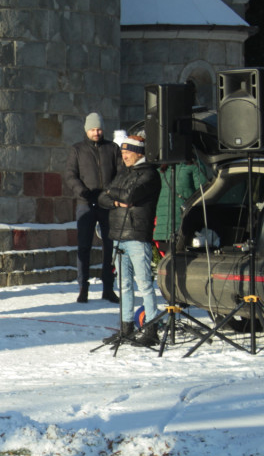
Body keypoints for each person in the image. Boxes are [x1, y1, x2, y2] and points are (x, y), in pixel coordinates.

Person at [99, 137, 163, 348]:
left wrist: (113, 194)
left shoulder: (149, 174)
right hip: (117, 236)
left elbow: (131, 195)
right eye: (123, 152)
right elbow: (102, 197)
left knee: (144, 284)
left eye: (128, 152)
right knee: (123, 285)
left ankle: (152, 329)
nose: (124, 155)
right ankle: (126, 329)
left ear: (138, 153)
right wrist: (116, 199)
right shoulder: (124, 173)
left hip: (136, 236)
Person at [65, 112, 123, 304]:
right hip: (86, 204)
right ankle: (83, 287)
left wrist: (111, 193)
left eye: (98, 129)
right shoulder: (78, 150)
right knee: (84, 247)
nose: (96, 132)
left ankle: (108, 287)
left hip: (107, 204)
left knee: (109, 247)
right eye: (92, 129)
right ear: (86, 130)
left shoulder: (112, 148)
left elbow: (120, 173)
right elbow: (71, 175)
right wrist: (83, 192)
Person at [154, 159, 208, 257]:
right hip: (163, 231)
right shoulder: (161, 170)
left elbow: (203, 195)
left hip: (185, 228)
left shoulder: (193, 166)